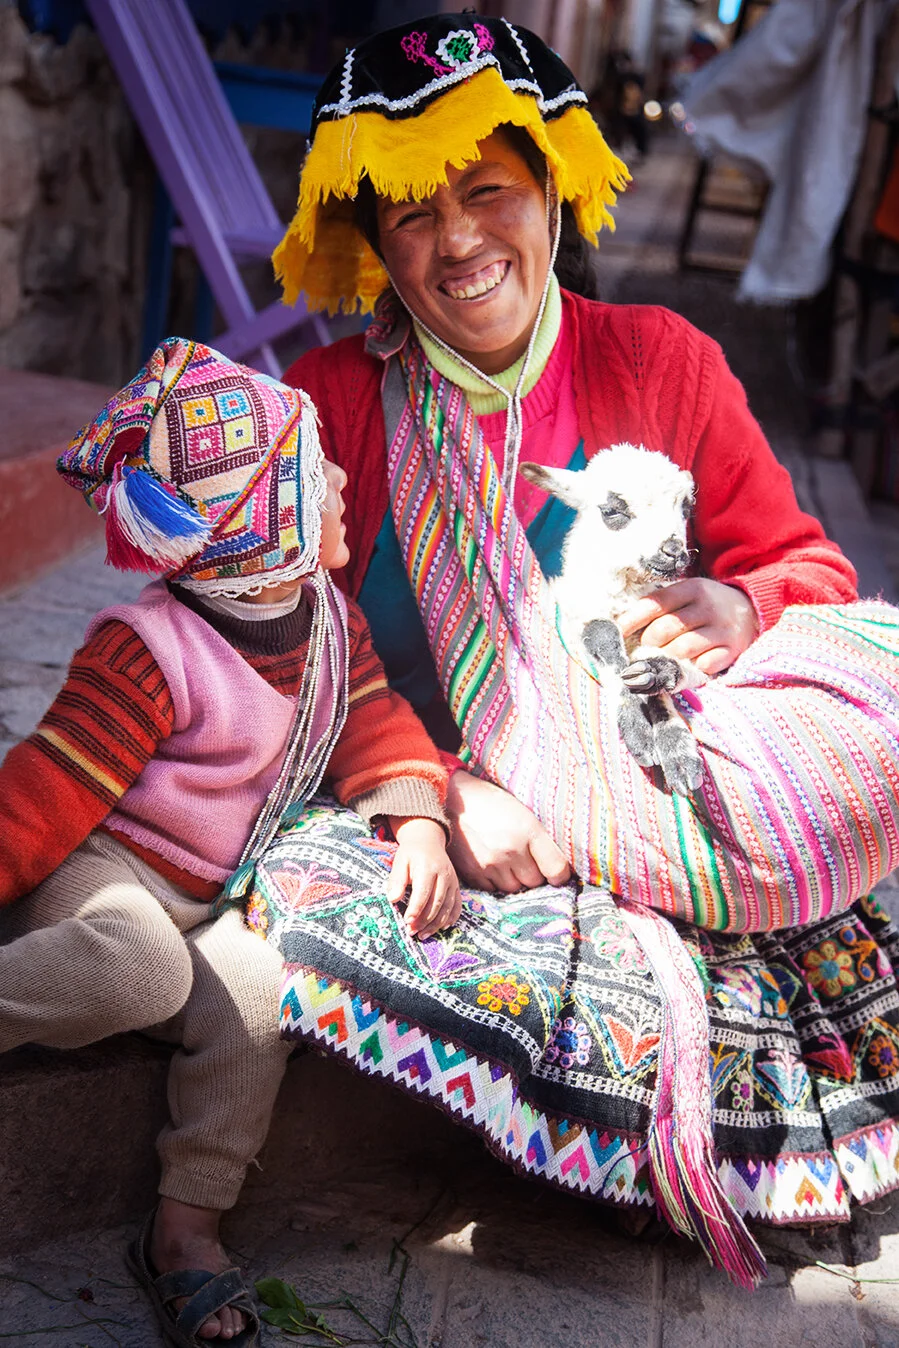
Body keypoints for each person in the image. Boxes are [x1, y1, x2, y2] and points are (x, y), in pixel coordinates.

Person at [251, 11, 899, 1292]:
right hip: (469, 830)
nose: (456, 243)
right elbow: (282, 657)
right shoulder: (331, 402)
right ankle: (615, 1141)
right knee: (322, 915)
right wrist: (441, 791)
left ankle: (632, 1134)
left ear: (550, 190)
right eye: (412, 216)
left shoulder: (660, 362)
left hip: (661, 815)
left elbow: (813, 574)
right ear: (374, 245)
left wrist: (739, 607)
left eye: (486, 192)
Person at [0, 336, 461, 1346]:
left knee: (256, 1000)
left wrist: (416, 814)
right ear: (266, 519)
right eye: (313, 467)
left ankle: (185, 1226)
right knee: (139, 965)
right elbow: (37, 801)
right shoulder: (150, 649)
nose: (340, 477)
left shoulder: (324, 621)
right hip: (105, 874)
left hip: (211, 894)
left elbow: (371, 718)